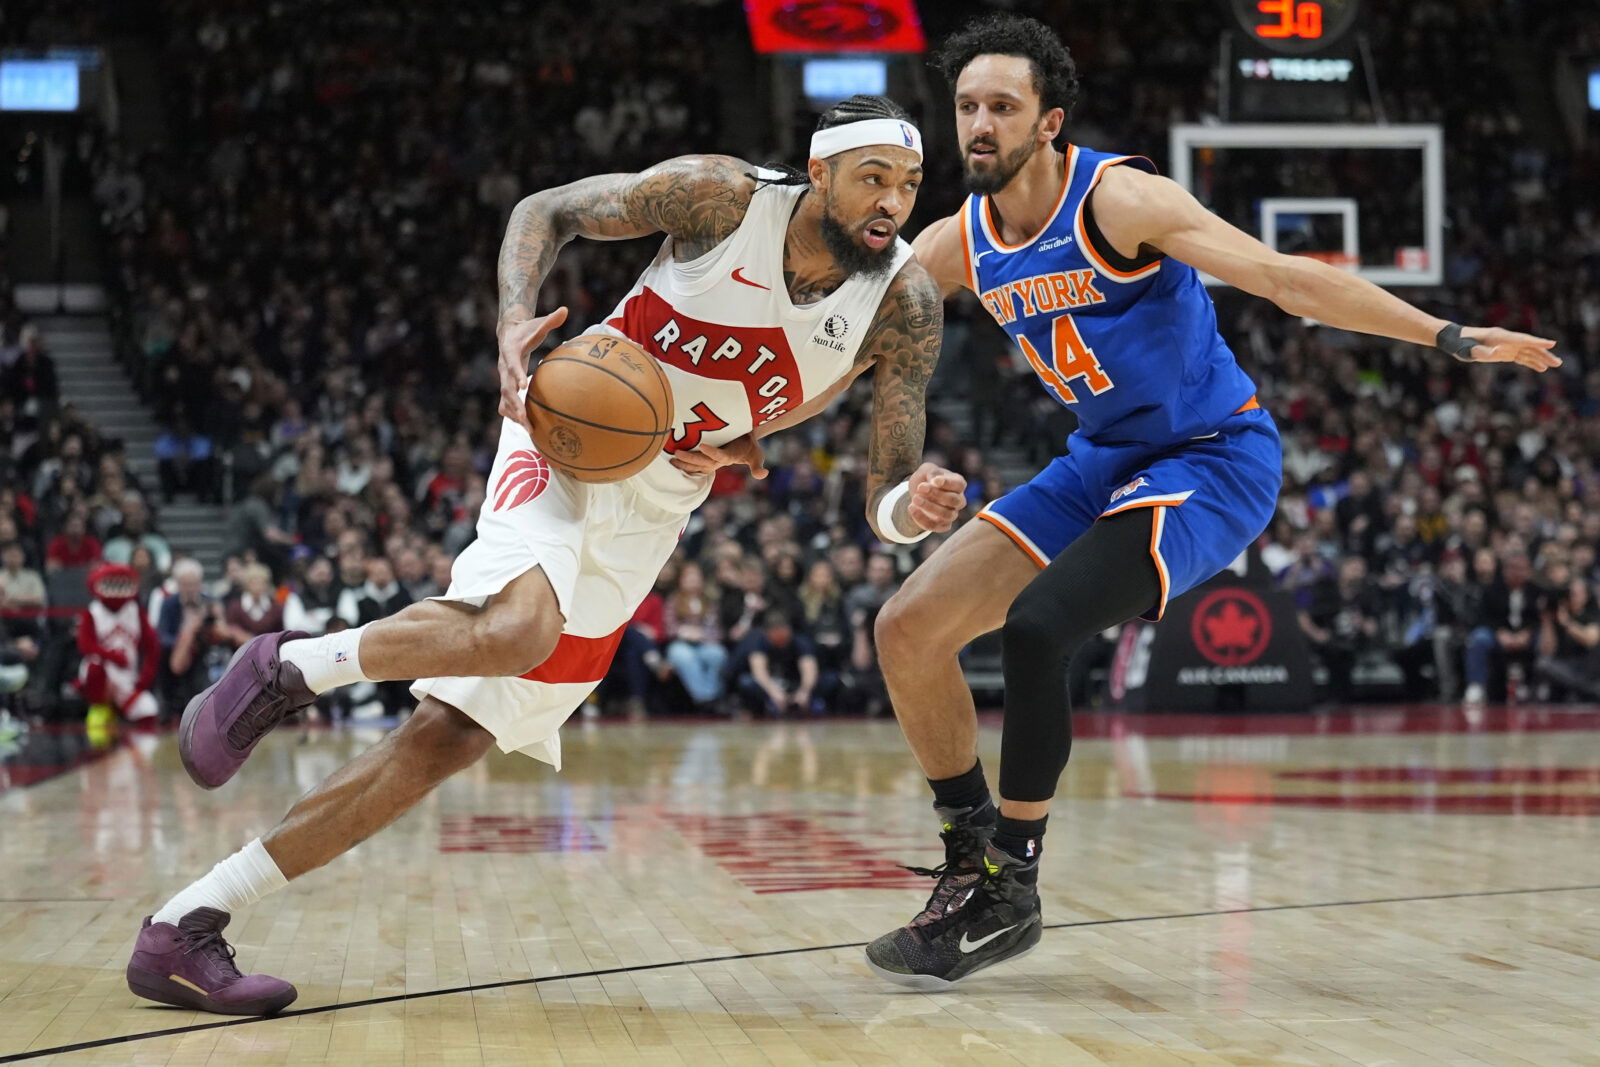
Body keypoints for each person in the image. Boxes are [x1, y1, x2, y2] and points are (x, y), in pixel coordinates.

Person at [129, 94, 967, 1016]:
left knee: (442, 743)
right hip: (570, 427)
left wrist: (906, 505)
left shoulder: (905, 302)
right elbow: (548, 209)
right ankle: (288, 664)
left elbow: (881, 484)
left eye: (910, 184)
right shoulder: (719, 198)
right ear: (820, 175)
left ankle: (186, 925)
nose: (893, 202)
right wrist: (512, 323)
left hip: (660, 501)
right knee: (516, 627)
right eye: (874, 179)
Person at [864, 13, 1562, 989]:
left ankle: (1009, 885)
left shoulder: (1123, 199)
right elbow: (847, 335)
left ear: (1048, 121)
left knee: (1036, 628)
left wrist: (1443, 335)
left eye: (1001, 106)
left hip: (1212, 453)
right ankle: (970, 856)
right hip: (1100, 456)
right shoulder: (958, 241)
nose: (978, 122)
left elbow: (1280, 279)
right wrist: (735, 422)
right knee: (907, 626)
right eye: (966, 105)